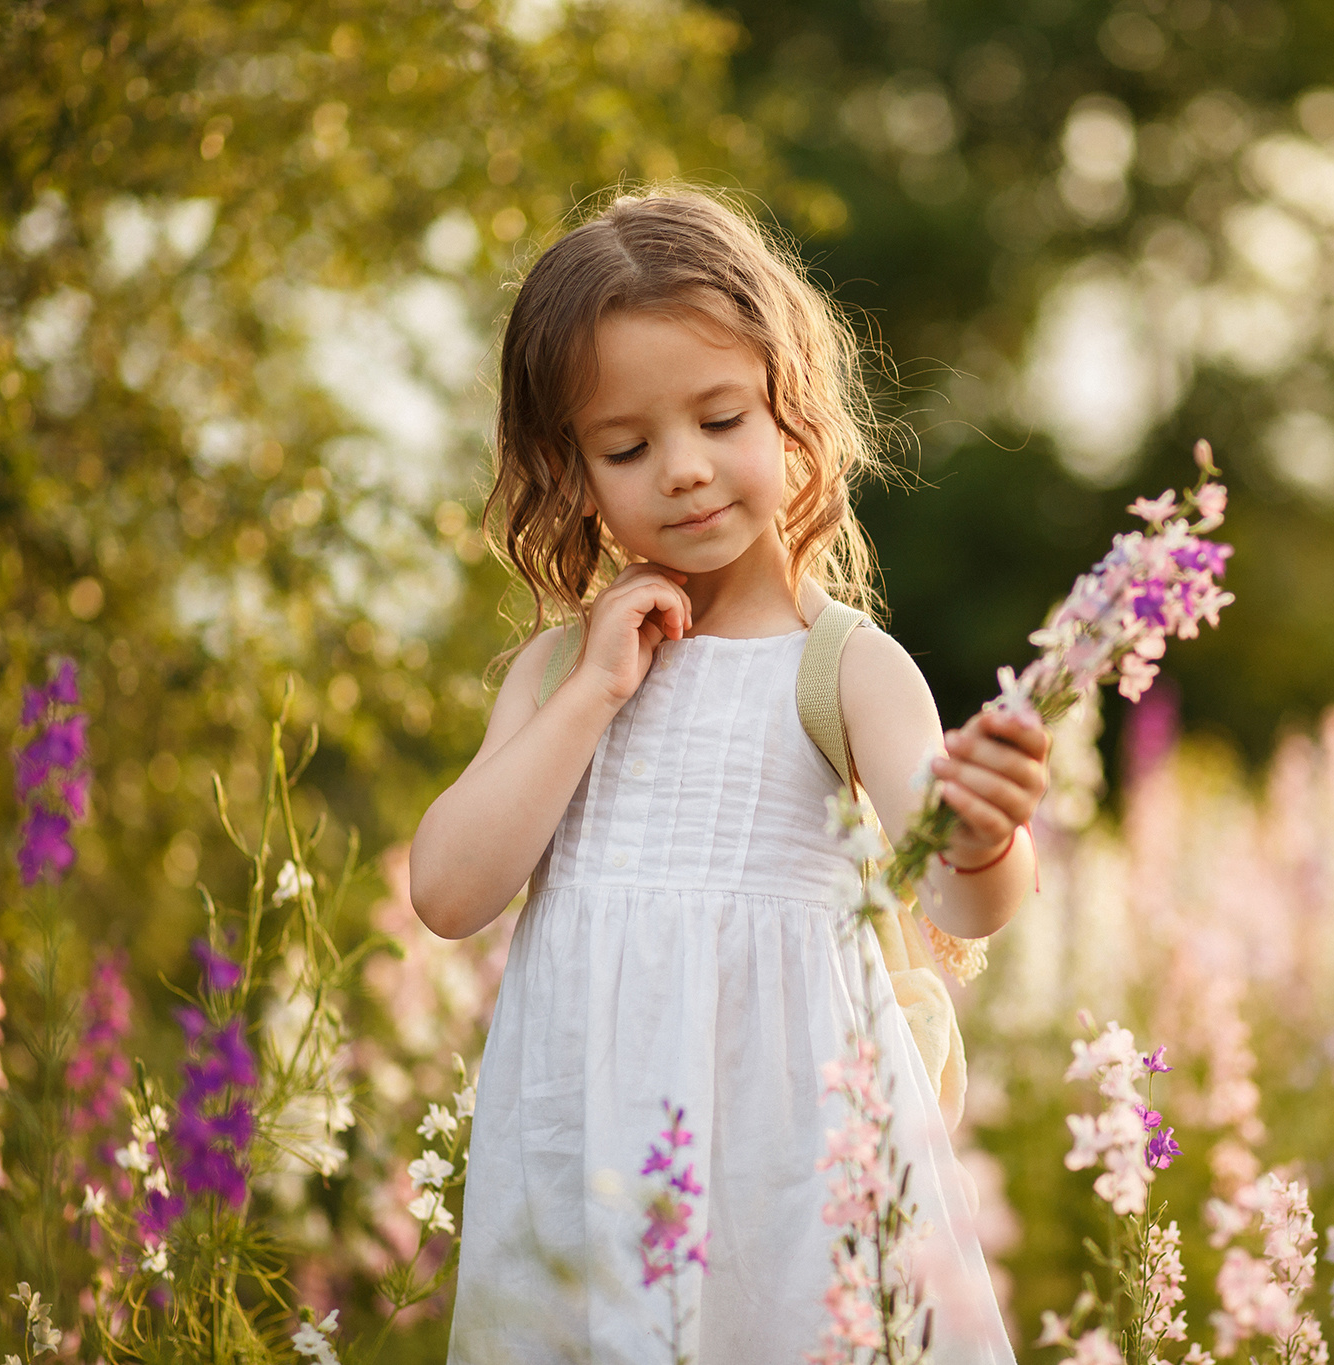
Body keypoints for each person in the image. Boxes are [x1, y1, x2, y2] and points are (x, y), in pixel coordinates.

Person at [409, 188, 1041, 1363]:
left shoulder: (842, 666)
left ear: (788, 410)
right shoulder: (558, 675)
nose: (686, 471)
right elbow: (447, 894)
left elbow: (959, 898)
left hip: (789, 1172)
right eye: (628, 445)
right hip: (591, 1166)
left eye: (720, 419)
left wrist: (985, 833)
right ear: (568, 469)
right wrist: (594, 690)